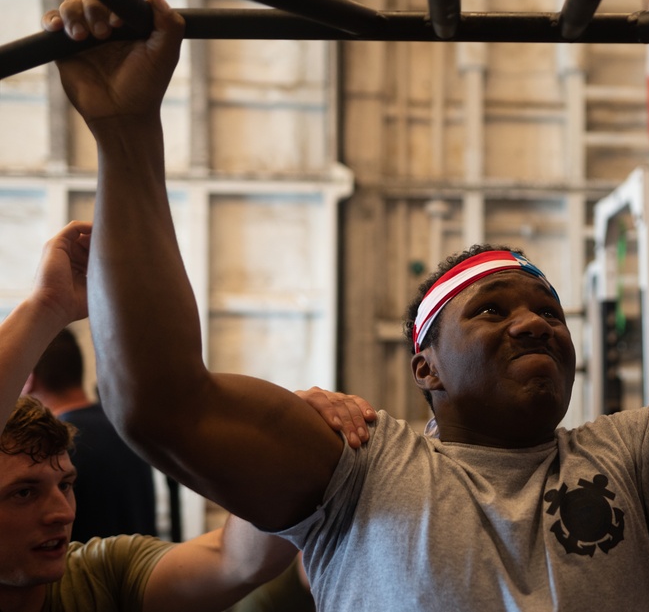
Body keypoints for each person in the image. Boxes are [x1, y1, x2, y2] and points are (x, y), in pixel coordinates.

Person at [47, 0, 649, 610]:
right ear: (425, 365)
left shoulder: (639, 465)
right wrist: (127, 134)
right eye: (490, 309)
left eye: (547, 310)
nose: (533, 321)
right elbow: (157, 399)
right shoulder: (352, 472)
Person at [0, 221, 374, 612]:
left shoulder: (101, 575)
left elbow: (231, 561)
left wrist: (296, 439)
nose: (61, 512)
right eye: (24, 493)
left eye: (65, 485)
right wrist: (47, 307)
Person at [21, 327, 158, 543]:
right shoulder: (122, 428)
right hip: (139, 570)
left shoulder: (52, 445)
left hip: (88, 574)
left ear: (28, 378)